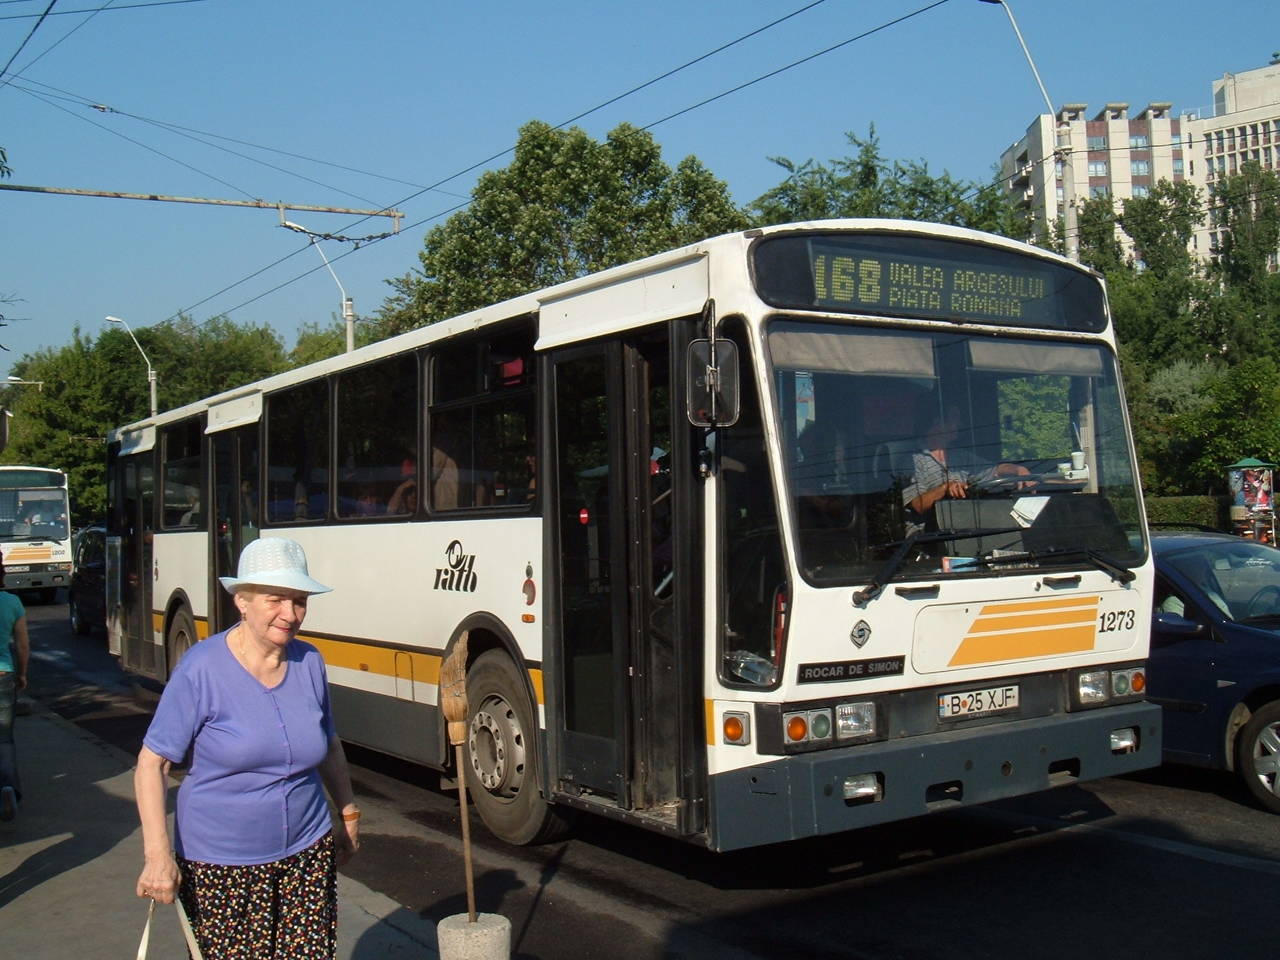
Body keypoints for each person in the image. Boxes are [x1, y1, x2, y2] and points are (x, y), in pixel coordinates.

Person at [134, 537, 360, 958]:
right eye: (276, 600)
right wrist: (157, 855)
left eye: (300, 601)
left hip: (307, 855)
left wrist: (347, 813)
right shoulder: (201, 668)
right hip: (223, 866)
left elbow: (328, 744)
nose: (290, 614)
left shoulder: (309, 661)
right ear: (242, 601)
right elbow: (152, 764)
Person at [902, 400, 1031, 530]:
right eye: (954, 419)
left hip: (962, 526)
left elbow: (993, 471)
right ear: (937, 422)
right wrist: (945, 489)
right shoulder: (913, 460)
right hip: (927, 535)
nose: (960, 424)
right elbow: (917, 505)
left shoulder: (960, 455)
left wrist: (1018, 469)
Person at [0, 554, 29, 821]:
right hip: (3, 675)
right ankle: (8, 789)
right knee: (5, 739)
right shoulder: (12, 603)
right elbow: (22, 645)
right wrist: (21, 674)